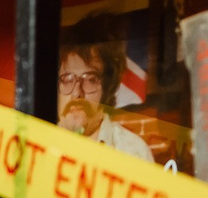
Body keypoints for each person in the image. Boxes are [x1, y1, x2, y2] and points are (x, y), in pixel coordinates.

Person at [58, 18, 156, 163]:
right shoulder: (35, 143)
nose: (76, 93)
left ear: (108, 88)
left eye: (90, 79)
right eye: (67, 79)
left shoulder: (133, 152)